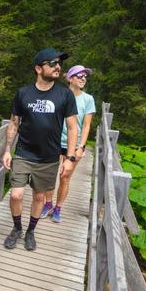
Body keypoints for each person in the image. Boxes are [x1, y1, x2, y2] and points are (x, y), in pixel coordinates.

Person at [1, 48, 78, 251]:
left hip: (49, 158)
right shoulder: (23, 93)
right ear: (38, 68)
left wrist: (69, 158)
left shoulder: (65, 95)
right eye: (52, 63)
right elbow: (14, 123)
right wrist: (7, 149)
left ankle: (30, 231)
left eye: (59, 63)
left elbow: (72, 127)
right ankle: (17, 228)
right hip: (24, 153)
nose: (57, 67)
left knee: (38, 197)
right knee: (16, 195)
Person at [39, 64, 96, 223]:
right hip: (53, 142)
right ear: (70, 78)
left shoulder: (88, 99)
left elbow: (86, 126)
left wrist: (81, 147)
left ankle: (58, 208)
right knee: (49, 175)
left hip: (73, 145)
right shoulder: (58, 95)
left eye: (85, 76)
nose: (83, 78)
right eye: (80, 76)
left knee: (65, 177)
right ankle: (47, 204)